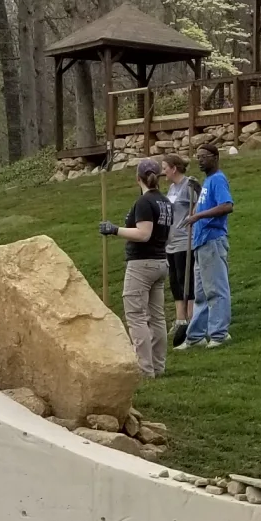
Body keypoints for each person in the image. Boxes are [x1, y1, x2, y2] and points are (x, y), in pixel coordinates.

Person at [104, 158, 173, 378]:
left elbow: (144, 234)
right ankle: (158, 366)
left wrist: (114, 230)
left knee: (136, 316)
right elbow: (167, 235)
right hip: (161, 262)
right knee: (157, 317)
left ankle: (144, 369)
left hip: (141, 264)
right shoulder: (166, 202)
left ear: (138, 179)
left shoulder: (144, 203)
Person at [183, 144, 233, 349]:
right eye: (198, 157)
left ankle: (219, 334)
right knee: (201, 293)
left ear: (215, 157)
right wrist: (198, 189)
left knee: (216, 289)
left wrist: (198, 216)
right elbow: (209, 200)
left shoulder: (218, 179)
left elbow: (226, 206)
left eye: (203, 157)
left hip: (212, 239)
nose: (200, 160)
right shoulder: (208, 181)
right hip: (201, 242)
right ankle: (195, 336)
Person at [164, 157, 200, 348]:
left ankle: (192, 319)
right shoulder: (171, 189)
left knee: (187, 280)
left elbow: (198, 205)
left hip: (185, 241)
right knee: (175, 281)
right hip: (171, 242)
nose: (164, 172)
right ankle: (180, 320)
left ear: (174, 168)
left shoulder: (189, 185)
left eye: (165, 168)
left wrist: (190, 220)